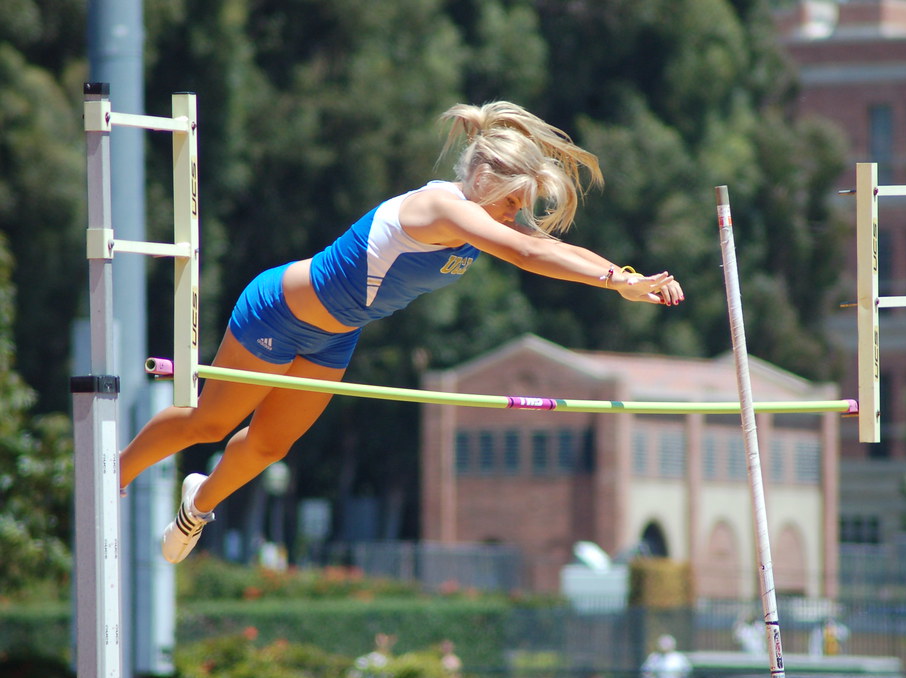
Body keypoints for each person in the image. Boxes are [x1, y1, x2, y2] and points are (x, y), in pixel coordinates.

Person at [118, 101, 685, 563]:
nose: (517, 214)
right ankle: (111, 475)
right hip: (276, 312)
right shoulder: (444, 207)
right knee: (212, 422)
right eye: (513, 201)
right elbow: (529, 251)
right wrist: (617, 281)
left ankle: (196, 508)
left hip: (337, 333)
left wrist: (623, 277)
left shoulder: (489, 220)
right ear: (485, 179)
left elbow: (546, 245)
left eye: (523, 207)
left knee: (271, 443)